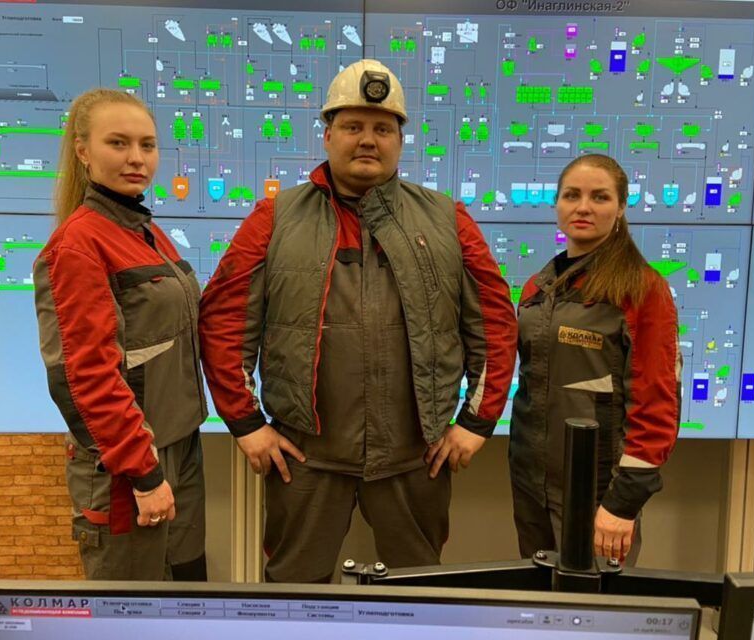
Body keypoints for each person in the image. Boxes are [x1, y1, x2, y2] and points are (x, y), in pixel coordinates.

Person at [199, 59, 517, 583]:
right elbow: (225, 321)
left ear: (400, 141)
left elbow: (495, 325)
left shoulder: (447, 220)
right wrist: (247, 424)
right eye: (352, 126)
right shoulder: (274, 219)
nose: (367, 140)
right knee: (294, 593)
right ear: (327, 135)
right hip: (306, 460)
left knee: (418, 592)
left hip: (416, 459)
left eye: (382, 129)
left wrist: (475, 422)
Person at [34, 88, 208, 580]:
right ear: (83, 151)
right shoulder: (77, 246)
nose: (136, 158)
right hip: (126, 467)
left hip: (179, 446)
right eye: (118, 143)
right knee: (132, 607)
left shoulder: (145, 232)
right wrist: (143, 473)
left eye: (147, 145)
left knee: (187, 595)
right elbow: (84, 377)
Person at [509, 154, 680, 565]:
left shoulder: (641, 290)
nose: (583, 207)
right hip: (531, 482)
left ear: (620, 207)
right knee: (535, 597)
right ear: (557, 204)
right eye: (572, 195)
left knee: (595, 601)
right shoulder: (538, 287)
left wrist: (623, 503)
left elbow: (657, 405)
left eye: (599, 197)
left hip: (599, 491)